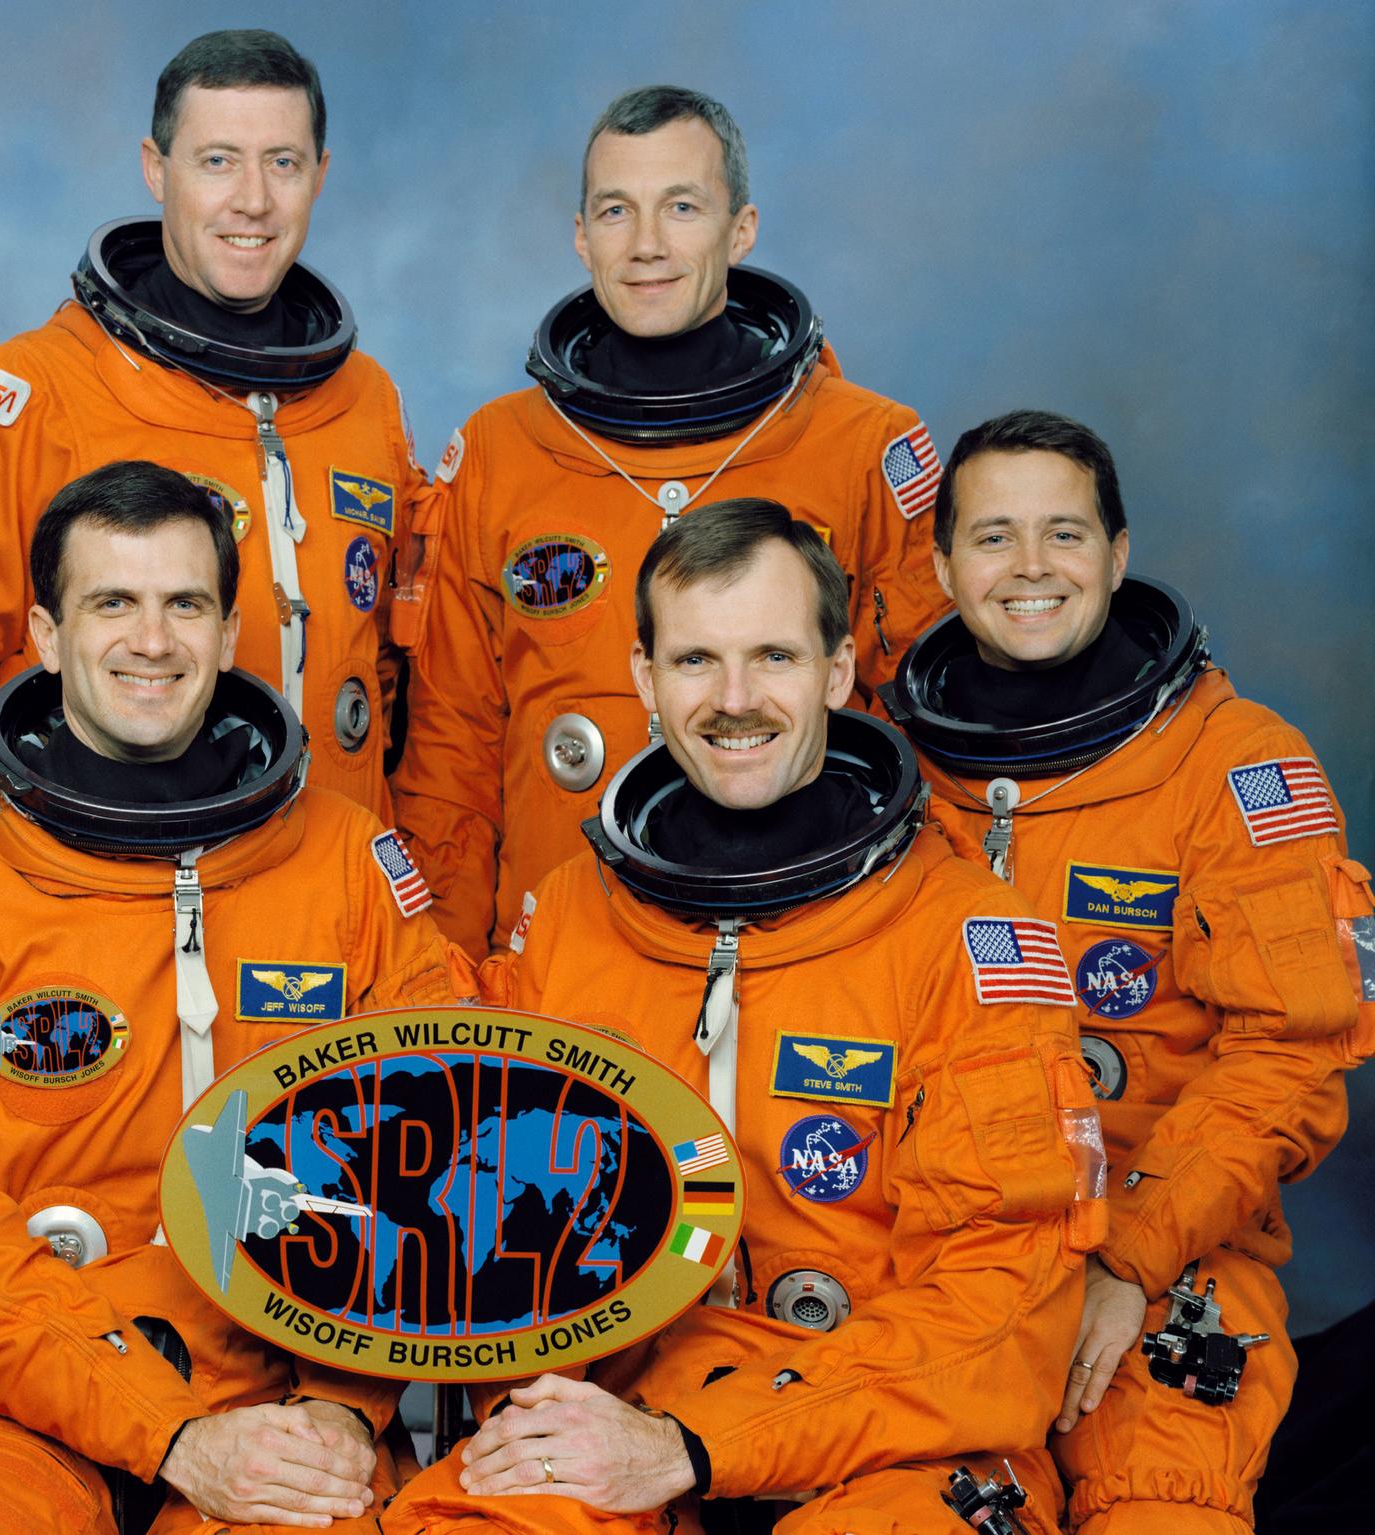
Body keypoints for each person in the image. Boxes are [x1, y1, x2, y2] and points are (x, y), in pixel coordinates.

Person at [385, 500, 1099, 1535]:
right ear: (642, 678)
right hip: (623, 1413)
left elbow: (1002, 1317)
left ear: (839, 670)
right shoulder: (575, 910)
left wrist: (704, 1444)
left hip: (895, 1435)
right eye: (694, 661)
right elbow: (495, 1211)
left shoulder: (973, 939)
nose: (733, 700)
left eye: (772, 655)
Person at [0, 461, 465, 1534]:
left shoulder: (346, 862)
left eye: (185, 605)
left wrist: (348, 1406)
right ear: (43, 631)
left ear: (226, 629)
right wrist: (156, 1424)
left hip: (282, 1377)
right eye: (111, 601)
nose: (151, 641)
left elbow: (433, 1152)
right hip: (0, 1373)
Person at [882, 410, 1375, 1534]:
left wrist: (1133, 1257)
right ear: (944, 562)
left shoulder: (1236, 765)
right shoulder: (882, 771)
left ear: (1116, 549)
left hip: (1170, 1249)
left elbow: (1290, 1059)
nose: (1031, 568)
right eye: (994, 536)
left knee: (1161, 1505)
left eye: (1065, 532)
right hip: (934, 1263)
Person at [390, 84, 950, 957]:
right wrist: (448, 973)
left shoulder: (861, 447)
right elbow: (450, 755)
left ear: (742, 227)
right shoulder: (500, 452)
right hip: (561, 960)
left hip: (809, 939)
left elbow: (923, 739)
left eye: (681, 207)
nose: (646, 245)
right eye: (616, 211)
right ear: (582, 235)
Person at [0, 27, 424, 822]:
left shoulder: (367, 399)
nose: (253, 199)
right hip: (110, 884)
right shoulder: (30, 398)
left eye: (283, 162)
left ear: (320, 175)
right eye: (217, 161)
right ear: (155, 169)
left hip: (329, 891)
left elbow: (384, 678)